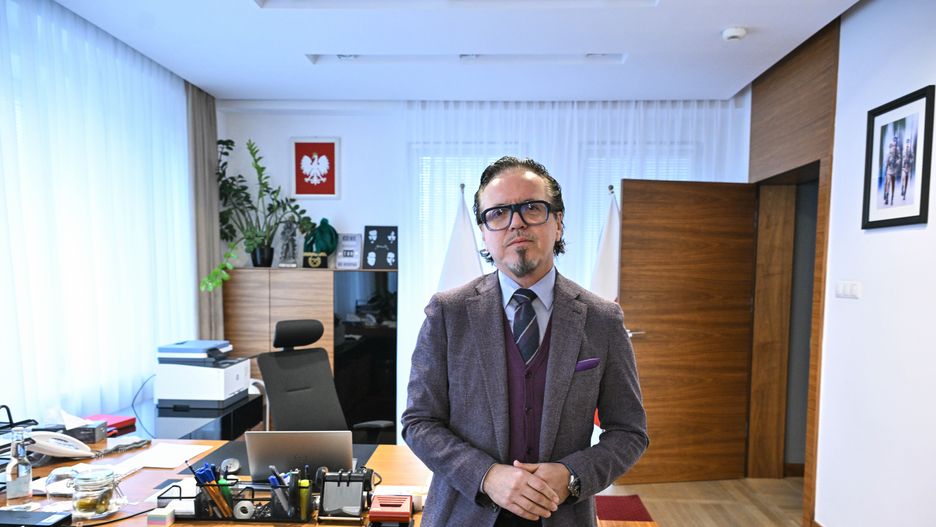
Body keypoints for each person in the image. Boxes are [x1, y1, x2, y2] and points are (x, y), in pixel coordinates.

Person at [402, 156, 649, 527]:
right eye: (498, 213)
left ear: (558, 223)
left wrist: (572, 476)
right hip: (463, 515)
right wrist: (486, 475)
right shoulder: (447, 314)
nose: (515, 222)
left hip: (563, 516)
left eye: (532, 208)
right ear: (484, 232)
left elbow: (629, 432)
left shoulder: (602, 320)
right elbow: (419, 422)